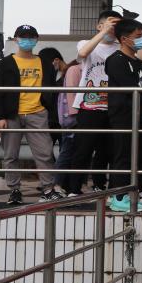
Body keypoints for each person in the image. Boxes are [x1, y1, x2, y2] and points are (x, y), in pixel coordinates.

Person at [0, 25, 61, 204]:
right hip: (11, 114)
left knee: (45, 153)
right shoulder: (5, 63)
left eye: (31, 37)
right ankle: (14, 190)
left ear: (37, 39)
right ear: (16, 39)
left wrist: (50, 112)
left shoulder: (45, 63)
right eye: (23, 37)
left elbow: (52, 90)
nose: (27, 40)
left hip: (38, 112)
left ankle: (48, 189)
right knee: (10, 155)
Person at [64, 10, 122, 196]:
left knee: (108, 149)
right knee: (83, 148)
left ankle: (100, 185)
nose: (113, 28)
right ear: (99, 26)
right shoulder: (86, 43)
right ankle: (74, 189)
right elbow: (82, 53)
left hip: (114, 106)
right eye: (110, 24)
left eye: (117, 25)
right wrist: (104, 31)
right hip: (89, 105)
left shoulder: (121, 47)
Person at [105, 18, 142, 212]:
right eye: (138, 36)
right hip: (123, 115)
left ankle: (130, 192)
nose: (141, 39)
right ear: (124, 39)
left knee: (138, 155)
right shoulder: (116, 60)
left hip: (141, 116)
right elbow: (130, 88)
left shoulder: (139, 63)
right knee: (123, 155)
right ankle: (118, 197)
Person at [55, 59, 81, 195]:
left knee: (68, 152)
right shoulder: (75, 69)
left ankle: (63, 185)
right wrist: (76, 115)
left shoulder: (72, 69)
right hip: (73, 120)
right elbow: (71, 97)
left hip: (69, 119)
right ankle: (57, 185)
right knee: (67, 152)